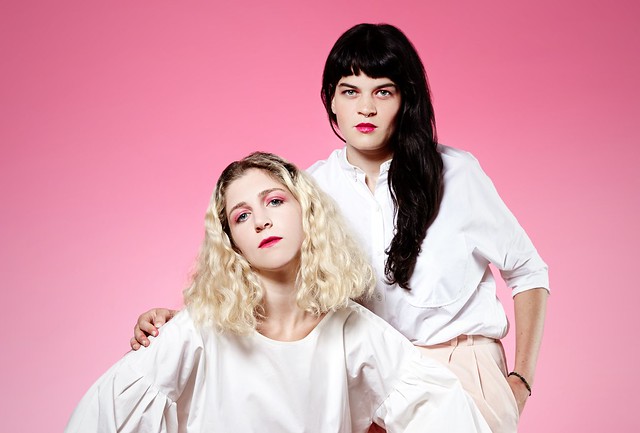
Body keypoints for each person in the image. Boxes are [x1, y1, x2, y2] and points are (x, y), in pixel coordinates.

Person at [131, 24, 549, 433]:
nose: (365, 108)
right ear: (331, 100)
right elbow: (271, 278)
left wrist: (521, 381)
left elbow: (528, 272)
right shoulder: (311, 189)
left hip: (459, 375)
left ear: (405, 99)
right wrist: (190, 319)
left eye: (382, 91)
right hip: (362, 388)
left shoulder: (456, 175)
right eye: (350, 91)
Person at [65, 152, 490, 433]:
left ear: (306, 211)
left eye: (274, 201)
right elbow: (106, 414)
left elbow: (441, 409)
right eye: (241, 215)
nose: (261, 221)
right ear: (232, 242)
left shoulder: (352, 330)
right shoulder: (200, 328)